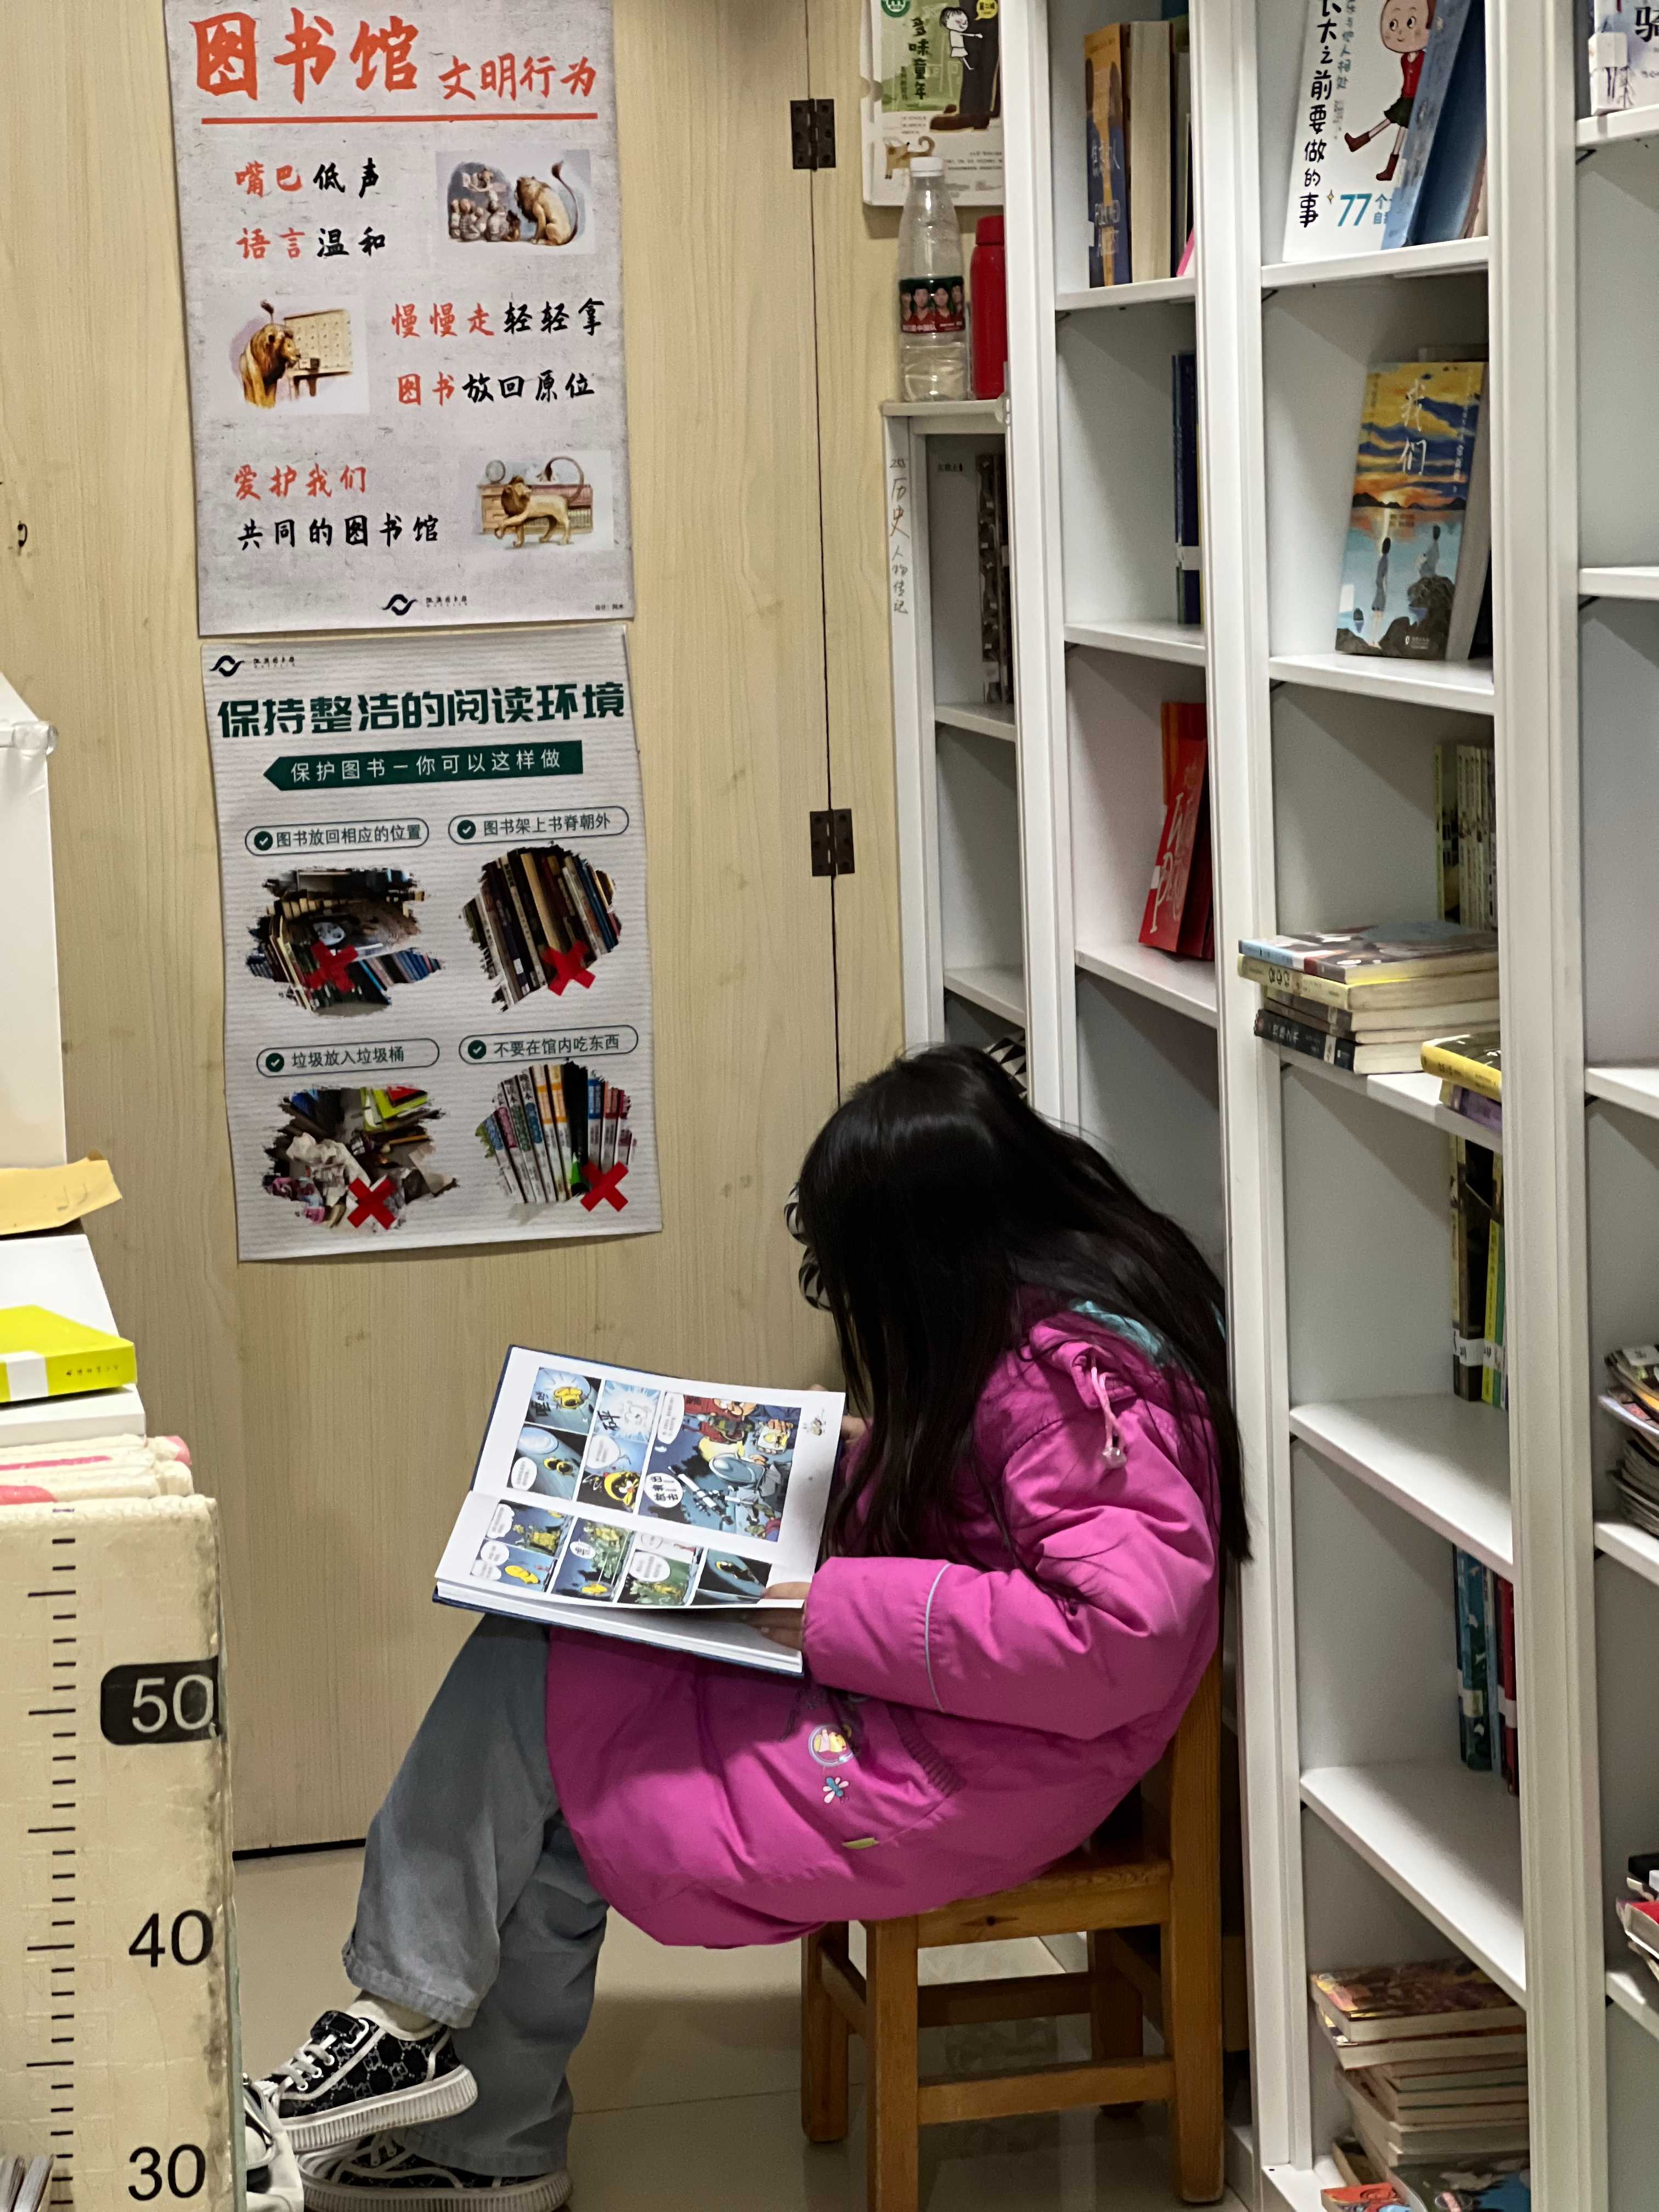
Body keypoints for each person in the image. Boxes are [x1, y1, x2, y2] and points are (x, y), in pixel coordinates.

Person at [258, 1046, 1246, 2212]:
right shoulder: (1036, 1317)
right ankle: (460, 2102)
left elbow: (1113, 1639)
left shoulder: (1077, 1389)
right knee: (549, 1692)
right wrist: (796, 1477)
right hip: (949, 1718)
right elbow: (976, 1506)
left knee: (555, 1726)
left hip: (976, 1768)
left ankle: (432, 2061)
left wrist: (812, 1607)